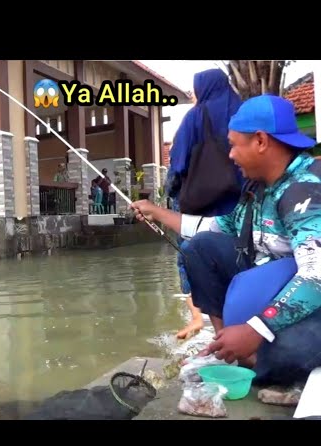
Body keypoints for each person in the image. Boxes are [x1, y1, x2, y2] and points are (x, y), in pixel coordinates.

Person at [131, 94, 321, 386]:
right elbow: (212, 228)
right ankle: (227, 347)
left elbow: (316, 276)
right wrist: (157, 212)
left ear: (260, 141)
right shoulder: (255, 191)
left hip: (310, 304)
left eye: (234, 144)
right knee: (199, 248)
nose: (231, 155)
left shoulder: (303, 191)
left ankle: (252, 352)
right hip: (269, 293)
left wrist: (257, 329)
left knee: (287, 355)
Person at [166, 68, 244, 339]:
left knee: (190, 251)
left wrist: (171, 194)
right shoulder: (241, 111)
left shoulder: (195, 117)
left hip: (198, 201)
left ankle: (199, 318)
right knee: (237, 253)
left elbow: (178, 163)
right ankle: (239, 315)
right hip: (238, 202)